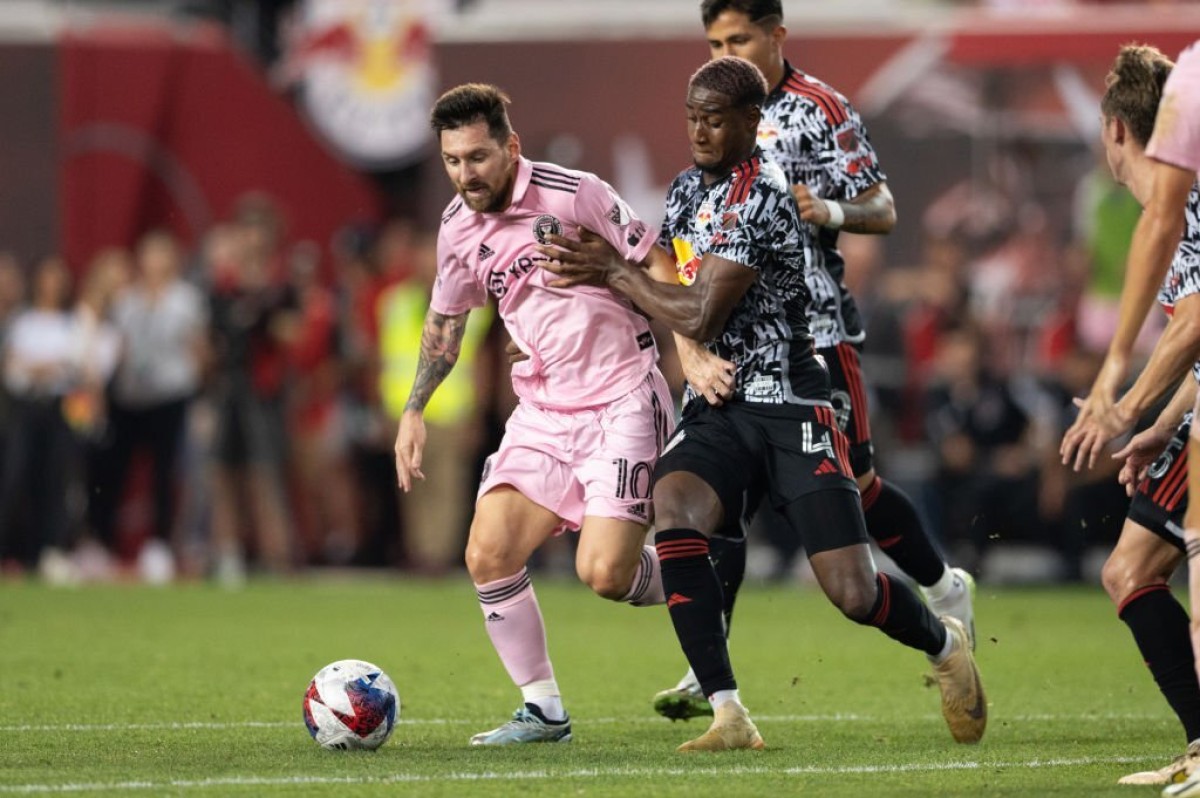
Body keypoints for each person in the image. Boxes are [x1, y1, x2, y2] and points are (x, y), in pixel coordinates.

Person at [539, 55, 985, 752]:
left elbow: (700, 309)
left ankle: (944, 644)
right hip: (720, 403)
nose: (700, 132)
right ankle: (728, 712)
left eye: (715, 120)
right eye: (692, 118)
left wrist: (614, 272)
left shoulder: (763, 194)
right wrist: (637, 337)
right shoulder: (685, 190)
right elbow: (676, 290)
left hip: (791, 402)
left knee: (853, 592)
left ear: (752, 121)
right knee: (675, 507)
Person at [650, 0, 976, 722]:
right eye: (714, 41)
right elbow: (675, 262)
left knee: (855, 486)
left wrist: (827, 210)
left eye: (739, 38)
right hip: (735, 339)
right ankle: (711, 671)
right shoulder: (707, 139)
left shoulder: (820, 109)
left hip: (817, 331)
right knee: (714, 498)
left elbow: (882, 207)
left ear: (777, 35)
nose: (725, 52)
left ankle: (942, 587)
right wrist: (691, 346)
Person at [393, 83, 676, 745]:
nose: (466, 173)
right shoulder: (457, 229)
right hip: (544, 410)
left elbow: (662, 263)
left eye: (478, 157)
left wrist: (691, 346)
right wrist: (414, 409)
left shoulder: (576, 194)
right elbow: (446, 322)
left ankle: (696, 573)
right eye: (453, 160)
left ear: (511, 147)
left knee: (604, 574)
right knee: (487, 552)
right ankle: (543, 709)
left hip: (621, 397)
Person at [1057, 44, 1200, 788]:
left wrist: (1124, 405)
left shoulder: (1182, 200)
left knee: (1143, 570)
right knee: (1131, 569)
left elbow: (1196, 321)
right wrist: (1162, 426)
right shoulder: (1167, 209)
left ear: (1116, 129)